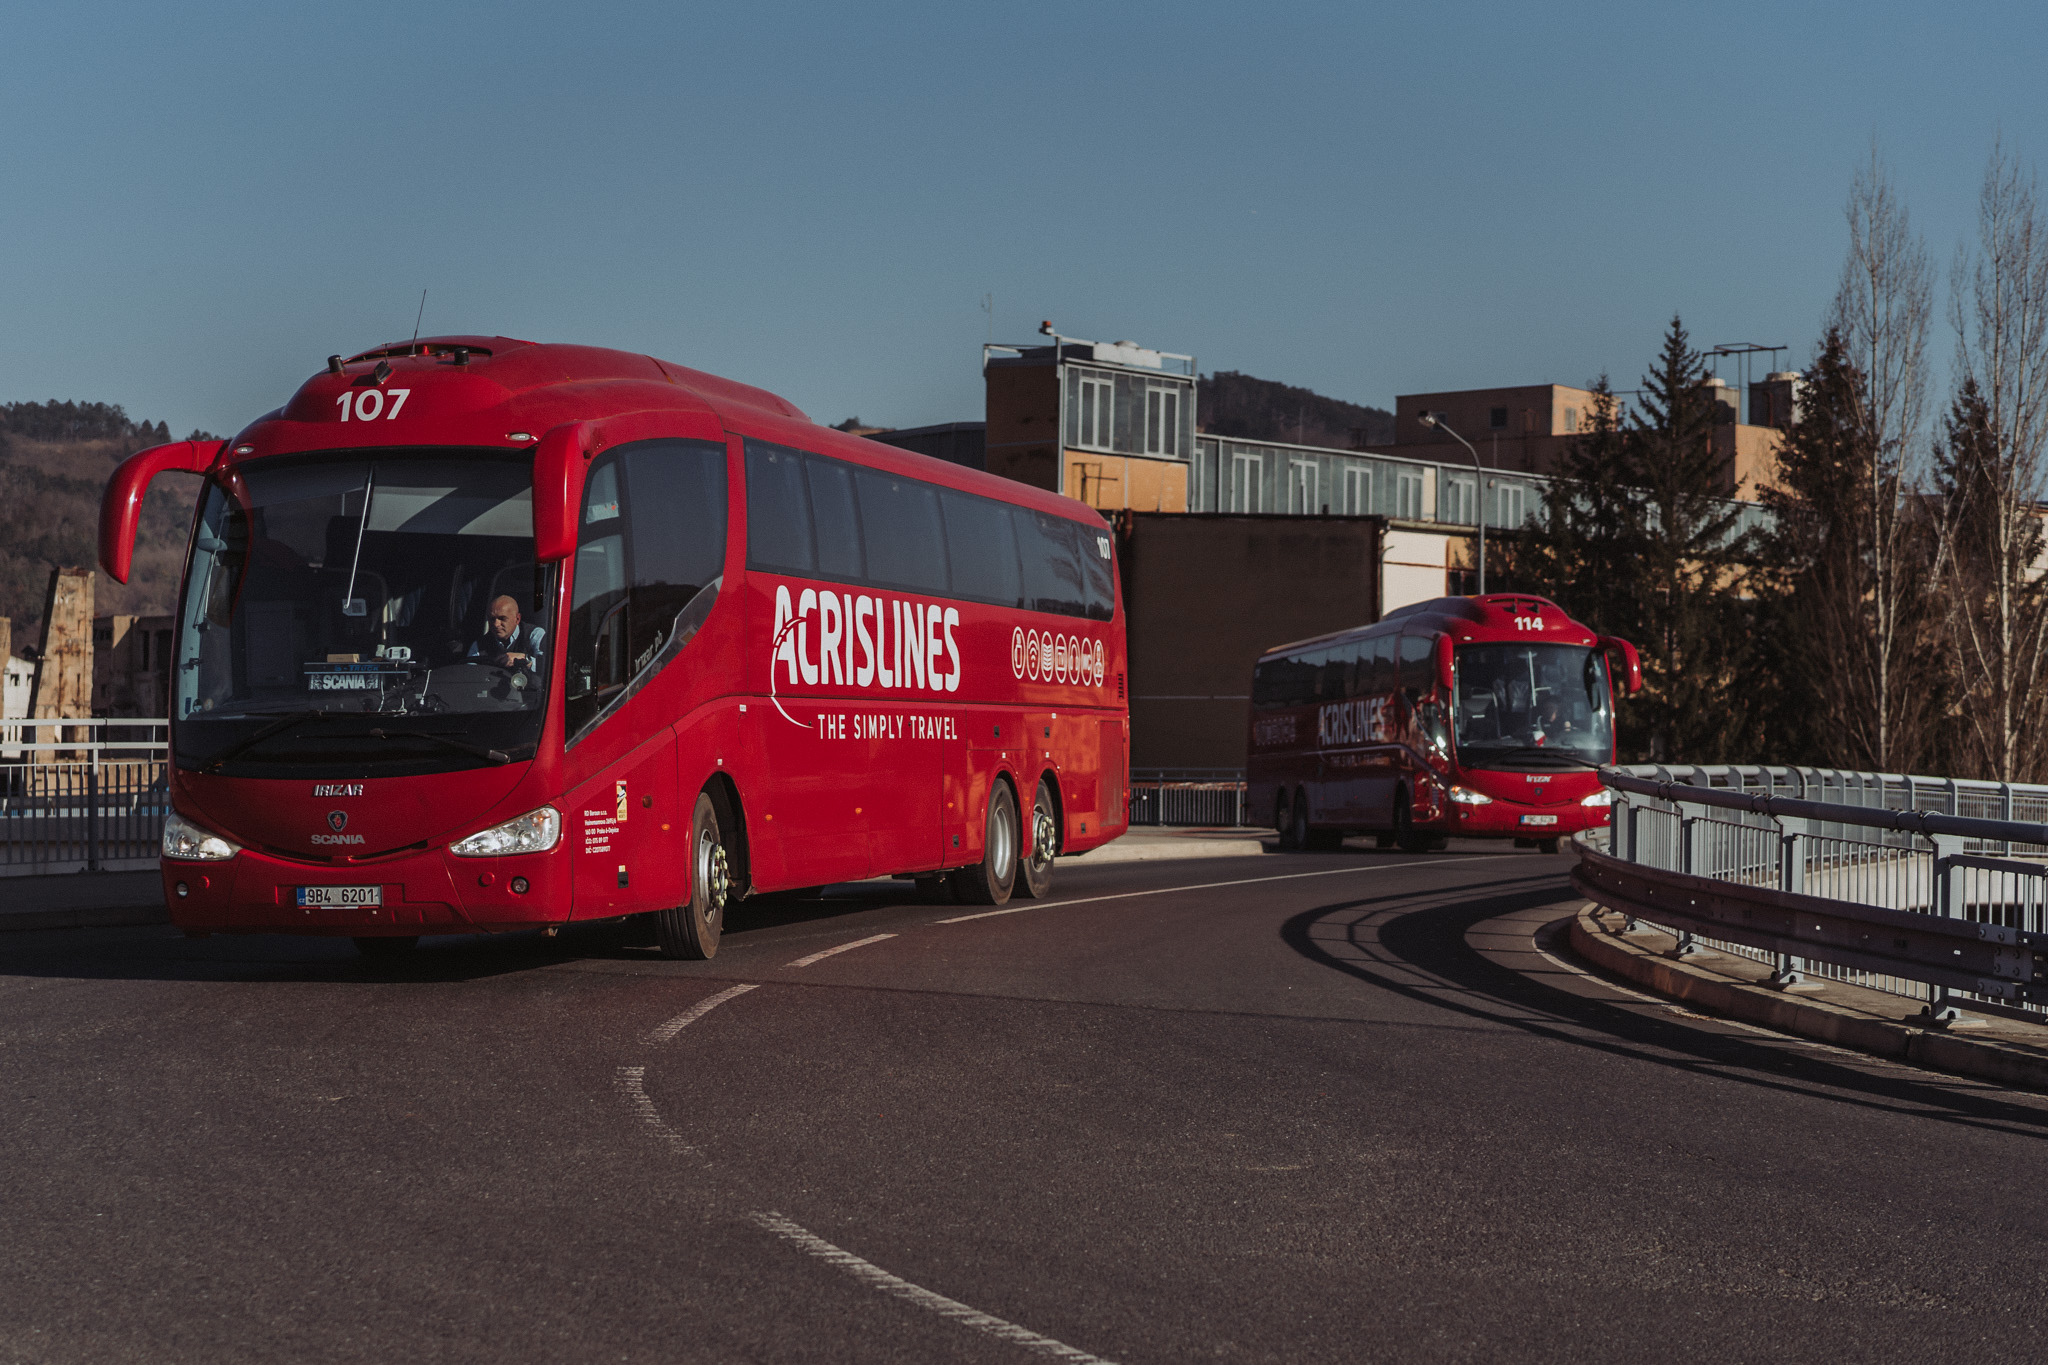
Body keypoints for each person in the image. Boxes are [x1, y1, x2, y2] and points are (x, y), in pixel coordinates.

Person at [469, 595, 545, 670]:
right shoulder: (480, 645)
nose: (496, 624)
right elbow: (469, 672)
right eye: (492, 619)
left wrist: (525, 660)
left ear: (517, 619)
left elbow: (547, 665)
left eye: (502, 618)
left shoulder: (534, 634)